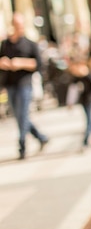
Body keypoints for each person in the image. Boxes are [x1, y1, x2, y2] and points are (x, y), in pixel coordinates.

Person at [0, 13, 49, 160]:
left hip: (25, 84)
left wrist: (20, 63)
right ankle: (41, 137)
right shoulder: (5, 44)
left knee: (23, 114)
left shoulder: (30, 44)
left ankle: (22, 145)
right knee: (19, 116)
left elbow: (39, 65)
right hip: (10, 84)